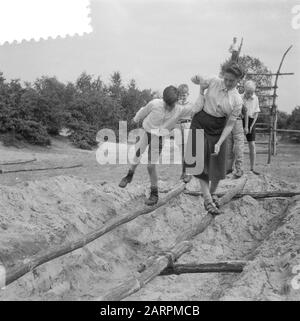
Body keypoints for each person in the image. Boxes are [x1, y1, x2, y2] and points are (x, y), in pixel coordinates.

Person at [118, 85, 204, 206]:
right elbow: (143, 110)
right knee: (137, 153)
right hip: (147, 132)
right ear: (163, 99)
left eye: (172, 105)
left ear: (176, 101)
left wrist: (202, 92)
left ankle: (154, 194)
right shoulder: (154, 104)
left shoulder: (179, 109)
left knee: (150, 166)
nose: (169, 108)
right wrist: (135, 119)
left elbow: (196, 108)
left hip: (158, 138)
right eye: (167, 104)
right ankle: (129, 175)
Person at [187, 63, 244, 215]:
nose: (228, 82)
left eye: (232, 80)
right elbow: (200, 83)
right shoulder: (213, 80)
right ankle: (207, 200)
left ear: (239, 80)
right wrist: (199, 86)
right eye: (226, 78)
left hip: (219, 128)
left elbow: (230, 125)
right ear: (223, 75)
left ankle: (211, 194)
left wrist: (219, 143)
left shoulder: (237, 100)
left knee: (219, 167)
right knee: (200, 165)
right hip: (200, 122)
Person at [242, 80, 260, 175]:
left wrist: (250, 126)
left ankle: (252, 168)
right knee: (238, 145)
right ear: (245, 90)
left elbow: (256, 113)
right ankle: (234, 168)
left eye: (251, 93)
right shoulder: (240, 97)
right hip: (241, 120)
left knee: (252, 145)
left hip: (251, 121)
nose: (249, 94)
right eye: (248, 92)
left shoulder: (255, 98)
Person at [226, 101, 246, 178]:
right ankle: (228, 168)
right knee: (228, 147)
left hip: (237, 121)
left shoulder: (238, 98)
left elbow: (245, 112)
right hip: (227, 122)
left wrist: (246, 126)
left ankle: (239, 169)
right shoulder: (224, 98)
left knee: (238, 147)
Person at [177, 84, 193, 181]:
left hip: (187, 124)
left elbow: (194, 116)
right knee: (181, 151)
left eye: (184, 95)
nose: (183, 97)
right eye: (181, 95)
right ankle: (183, 171)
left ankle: (189, 173)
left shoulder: (191, 105)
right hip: (178, 126)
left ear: (188, 94)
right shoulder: (177, 105)